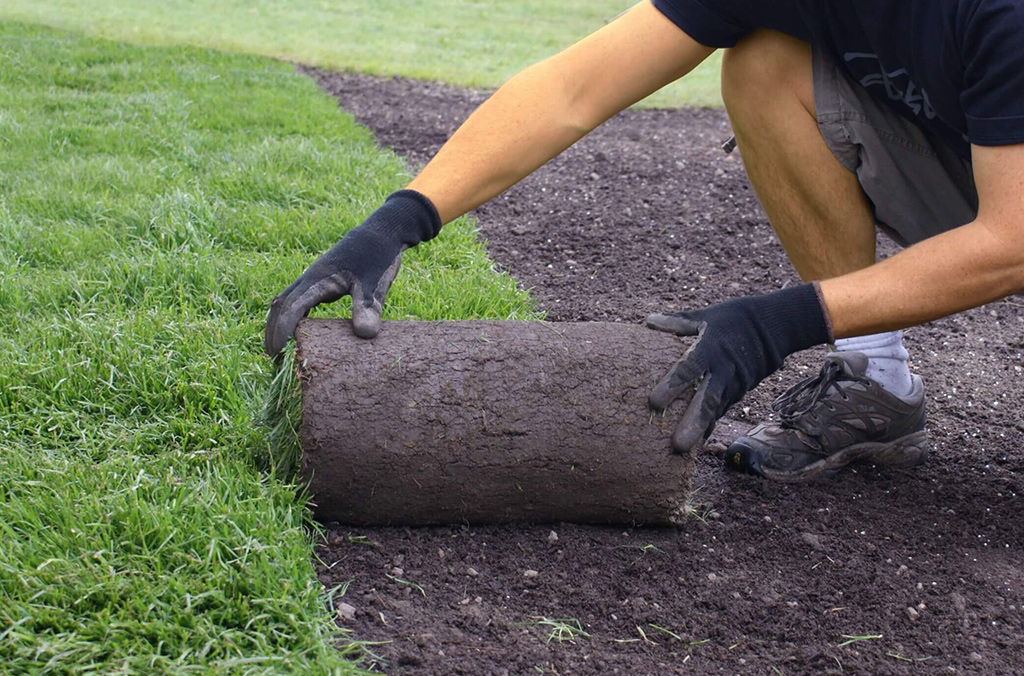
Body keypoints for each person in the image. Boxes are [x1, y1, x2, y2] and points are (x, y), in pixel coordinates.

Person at [264, 0, 1024, 482]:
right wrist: (399, 219)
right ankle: (875, 379)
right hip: (982, 169)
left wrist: (778, 321)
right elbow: (575, 88)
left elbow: (1011, 240)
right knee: (764, 64)